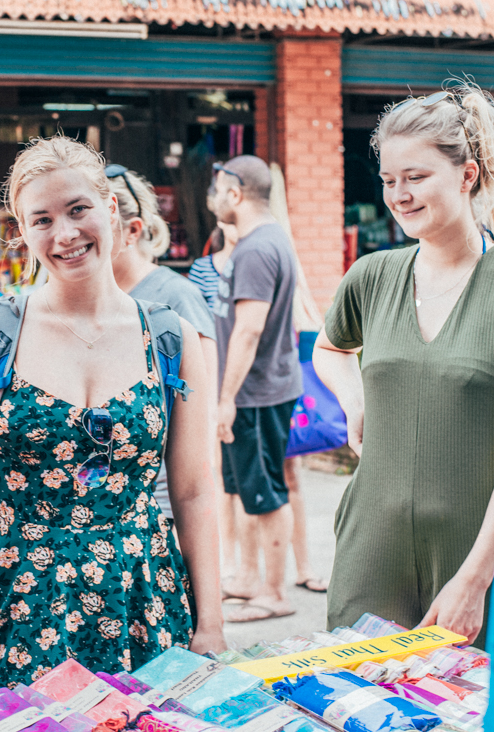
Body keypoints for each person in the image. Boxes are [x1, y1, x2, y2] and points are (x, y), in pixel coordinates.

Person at [0, 136, 227, 701]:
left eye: (78, 210)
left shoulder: (168, 335)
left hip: (144, 598)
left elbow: (195, 491)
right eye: (42, 220)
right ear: (23, 233)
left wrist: (211, 622)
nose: (65, 234)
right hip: (13, 603)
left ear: (111, 209)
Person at [313, 82, 494, 648]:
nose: (399, 195)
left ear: (467, 175)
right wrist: (354, 399)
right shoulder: (371, 275)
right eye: (389, 180)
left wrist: (475, 580)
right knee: (356, 692)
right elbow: (330, 348)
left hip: (476, 558)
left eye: (415, 177)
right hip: (371, 550)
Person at [208, 155, 303, 622]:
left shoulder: (256, 250)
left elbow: (248, 330)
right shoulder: (262, 241)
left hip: (255, 394)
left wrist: (226, 399)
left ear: (236, 192)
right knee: (246, 489)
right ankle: (247, 577)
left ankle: (274, 592)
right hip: (254, 391)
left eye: (217, 190)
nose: (212, 199)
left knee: (266, 494)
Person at [106, 164, 218, 523]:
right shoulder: (89, 301)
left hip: (160, 504)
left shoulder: (177, 296)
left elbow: (204, 413)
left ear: (132, 230)